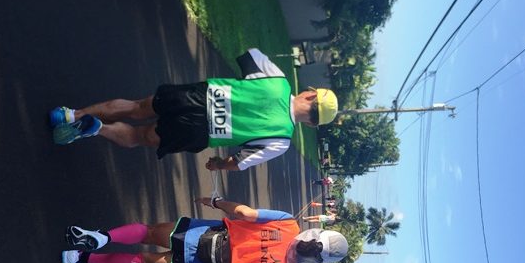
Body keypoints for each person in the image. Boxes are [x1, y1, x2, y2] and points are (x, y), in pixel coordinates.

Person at [49, 48, 339, 171]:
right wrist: (219, 164)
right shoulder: (282, 141)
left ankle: (72, 115)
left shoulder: (279, 81)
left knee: (137, 106)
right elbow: (240, 162)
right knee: (140, 137)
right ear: (311, 124)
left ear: (311, 95)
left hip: (202, 95)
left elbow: (250, 55)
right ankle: (98, 129)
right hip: (202, 131)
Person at [60, 196, 349, 263]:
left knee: (147, 232)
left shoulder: (288, 223)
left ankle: (104, 237)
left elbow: (244, 213)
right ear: (318, 261)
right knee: (144, 261)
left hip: (201, 234)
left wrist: (215, 202)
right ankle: (83, 258)